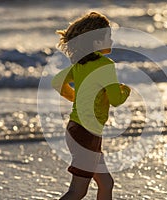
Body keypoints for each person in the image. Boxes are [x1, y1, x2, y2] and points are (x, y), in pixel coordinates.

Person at [51, 12, 131, 200]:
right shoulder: (105, 65)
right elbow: (117, 100)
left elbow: (57, 81)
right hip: (86, 135)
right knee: (77, 191)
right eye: (108, 36)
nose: (111, 39)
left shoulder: (81, 64)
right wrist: (125, 90)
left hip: (76, 130)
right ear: (96, 42)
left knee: (106, 183)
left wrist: (76, 99)